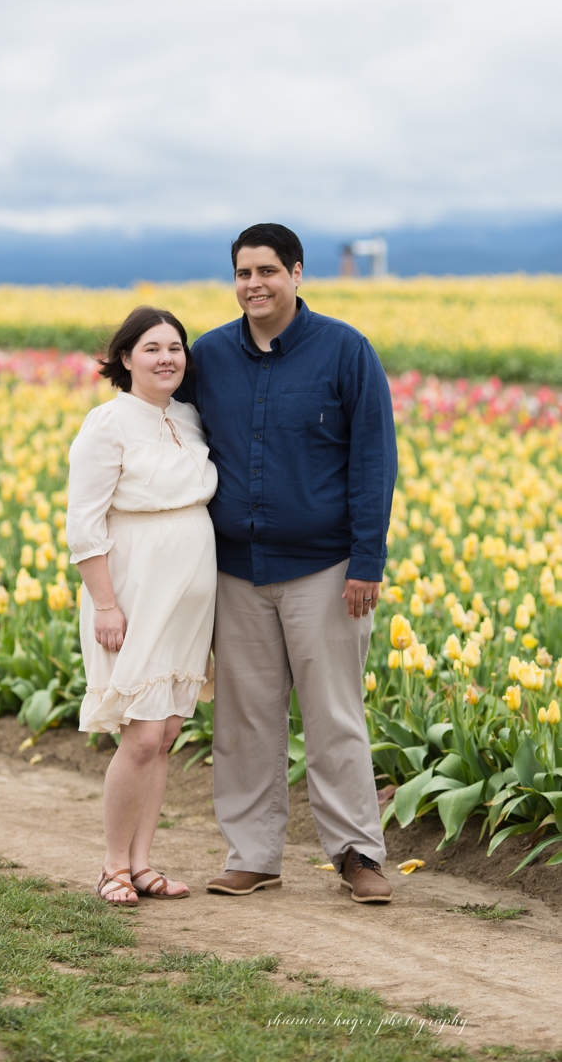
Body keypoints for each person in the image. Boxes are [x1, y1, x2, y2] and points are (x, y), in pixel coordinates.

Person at [187, 222, 397, 905]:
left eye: (268, 271)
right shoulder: (209, 356)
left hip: (326, 570)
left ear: (297, 273)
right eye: (243, 273)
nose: (254, 284)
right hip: (235, 571)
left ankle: (357, 853)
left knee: (334, 715)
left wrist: (367, 560)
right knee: (244, 719)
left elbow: (373, 459)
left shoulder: (344, 350)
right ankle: (252, 855)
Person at [67, 306, 218, 904]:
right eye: (151, 348)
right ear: (125, 358)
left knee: (168, 731)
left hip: (188, 601)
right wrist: (105, 605)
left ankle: (143, 863)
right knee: (141, 734)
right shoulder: (107, 424)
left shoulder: (189, 416)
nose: (166, 358)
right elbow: (83, 524)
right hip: (133, 591)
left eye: (175, 347)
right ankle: (113, 868)